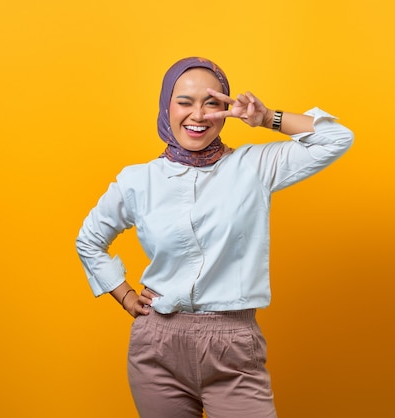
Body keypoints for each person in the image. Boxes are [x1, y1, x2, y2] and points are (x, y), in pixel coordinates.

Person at [76, 57, 353, 418]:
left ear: (226, 110)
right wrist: (125, 295)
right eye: (185, 102)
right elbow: (89, 240)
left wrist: (267, 117)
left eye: (212, 103)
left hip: (233, 344)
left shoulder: (253, 166)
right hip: (157, 345)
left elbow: (336, 137)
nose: (199, 115)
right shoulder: (137, 180)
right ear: (166, 106)